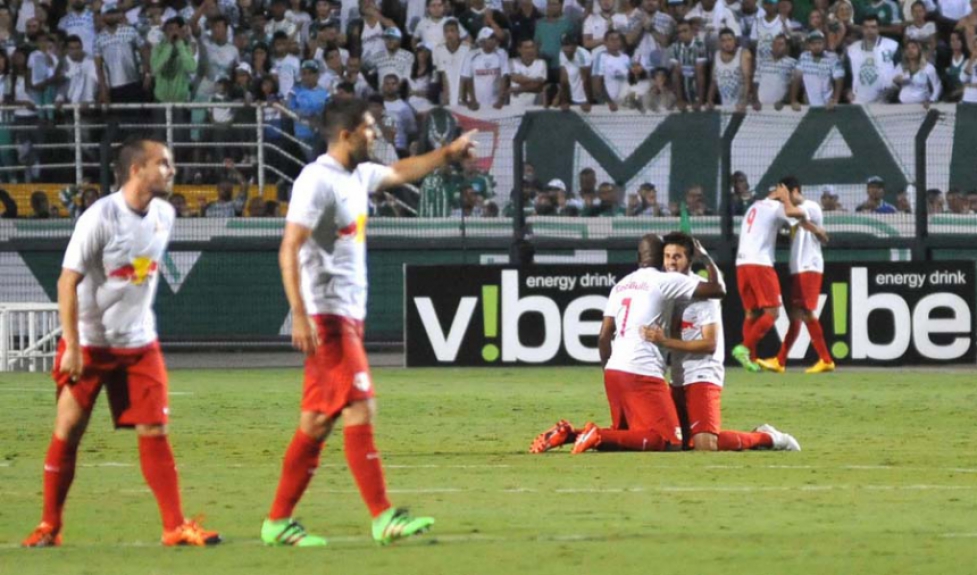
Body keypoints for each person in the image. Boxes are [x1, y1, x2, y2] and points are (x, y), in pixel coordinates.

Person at [262, 98, 477, 546]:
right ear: (346, 135)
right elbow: (289, 247)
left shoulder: (356, 176)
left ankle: (278, 522)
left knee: (317, 423)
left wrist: (447, 154)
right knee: (361, 406)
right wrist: (299, 315)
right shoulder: (316, 181)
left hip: (346, 318)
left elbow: (401, 171)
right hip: (327, 318)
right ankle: (383, 516)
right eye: (368, 129)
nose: (374, 134)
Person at [22, 138, 221, 548]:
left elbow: (134, 275)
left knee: (155, 429)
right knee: (68, 430)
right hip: (91, 345)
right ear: (136, 170)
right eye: (163, 163)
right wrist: (73, 346)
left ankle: (174, 526)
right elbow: (67, 281)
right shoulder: (100, 217)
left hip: (139, 345)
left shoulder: (165, 214)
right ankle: (49, 526)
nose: (172, 170)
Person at [529, 234, 727, 454]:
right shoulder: (665, 280)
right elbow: (717, 290)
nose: (670, 262)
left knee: (627, 434)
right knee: (669, 441)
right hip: (642, 372)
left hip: (614, 371)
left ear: (637, 257)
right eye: (667, 256)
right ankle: (598, 435)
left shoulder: (621, 285)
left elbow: (604, 337)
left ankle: (569, 434)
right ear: (660, 257)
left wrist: (610, 372)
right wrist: (706, 259)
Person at [641, 232, 801, 451]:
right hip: (678, 377)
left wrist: (664, 341)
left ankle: (768, 438)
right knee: (674, 441)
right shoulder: (666, 289)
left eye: (677, 256)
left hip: (702, 374)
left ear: (689, 260)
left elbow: (709, 344)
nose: (670, 262)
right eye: (667, 256)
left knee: (705, 445)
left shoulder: (702, 292)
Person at [756, 183, 834, 374]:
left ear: (796, 191)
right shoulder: (793, 213)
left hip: (809, 266)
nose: (785, 198)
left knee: (805, 313)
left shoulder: (810, 206)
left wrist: (782, 198)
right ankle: (780, 360)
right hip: (799, 268)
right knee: (796, 316)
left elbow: (793, 213)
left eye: (788, 193)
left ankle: (826, 359)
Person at [731, 177, 807, 371]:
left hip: (741, 263)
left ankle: (752, 360)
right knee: (772, 312)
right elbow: (795, 214)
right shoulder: (776, 207)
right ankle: (744, 348)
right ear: (785, 191)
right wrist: (787, 199)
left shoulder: (755, 205)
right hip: (760, 263)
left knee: (752, 313)